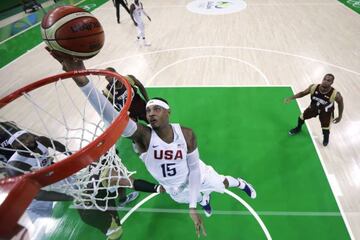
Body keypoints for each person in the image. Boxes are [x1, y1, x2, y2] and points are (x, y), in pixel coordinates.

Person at [50, 55, 257, 238]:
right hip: (174, 189)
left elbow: (194, 169)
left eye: (157, 109)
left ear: (168, 112)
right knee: (196, 197)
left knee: (221, 184)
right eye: (149, 110)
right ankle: (204, 200)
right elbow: (111, 116)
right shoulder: (143, 137)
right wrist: (82, 81)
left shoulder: (186, 134)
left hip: (197, 175)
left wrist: (192, 208)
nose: (151, 113)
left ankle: (240, 183)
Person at [284, 73, 344, 146]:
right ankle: (298, 128)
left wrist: (340, 116)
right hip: (314, 108)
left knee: (325, 128)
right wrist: (291, 98)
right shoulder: (313, 87)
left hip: (326, 112)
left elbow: (340, 104)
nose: (325, 81)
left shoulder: (335, 94)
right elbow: (302, 93)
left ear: (332, 83)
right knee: (301, 118)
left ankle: (326, 139)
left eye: (328, 80)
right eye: (324, 79)